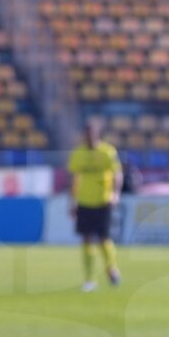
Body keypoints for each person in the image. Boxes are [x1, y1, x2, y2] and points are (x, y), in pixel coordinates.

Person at [67, 120, 123, 292]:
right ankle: (90, 279)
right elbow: (75, 179)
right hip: (84, 201)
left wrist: (115, 194)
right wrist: (73, 201)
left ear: (98, 134)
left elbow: (117, 174)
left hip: (102, 200)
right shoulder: (78, 153)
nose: (90, 136)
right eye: (87, 133)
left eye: (93, 132)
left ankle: (111, 267)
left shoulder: (107, 151)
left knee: (103, 238)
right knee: (86, 239)